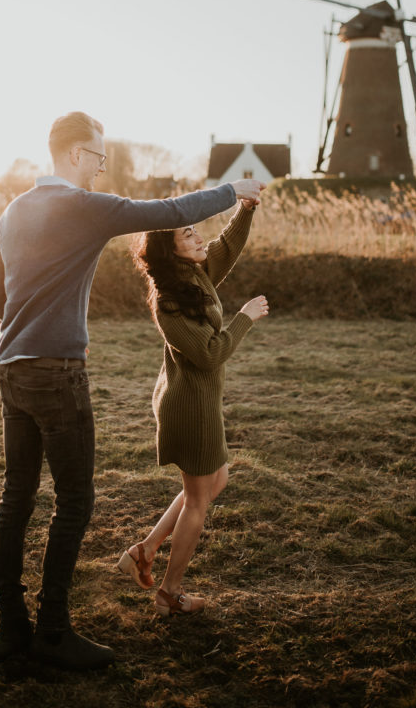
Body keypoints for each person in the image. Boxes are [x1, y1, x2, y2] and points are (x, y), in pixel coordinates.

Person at [0, 110, 265, 670]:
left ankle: (11, 631)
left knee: (16, 499)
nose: (101, 167)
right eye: (97, 157)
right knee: (74, 501)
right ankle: (54, 634)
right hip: (57, 372)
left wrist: (32, 327)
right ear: (72, 156)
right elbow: (168, 212)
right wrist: (234, 190)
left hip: (11, 368)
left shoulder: (13, 210)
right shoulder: (82, 206)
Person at [117, 194, 268, 616]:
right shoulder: (169, 301)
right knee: (198, 500)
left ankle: (143, 551)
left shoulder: (195, 274)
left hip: (199, 401)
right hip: (189, 408)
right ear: (171, 249)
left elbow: (227, 247)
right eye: (187, 233)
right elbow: (210, 354)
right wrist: (244, 318)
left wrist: (247, 208)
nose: (198, 235)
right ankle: (169, 593)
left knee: (213, 482)